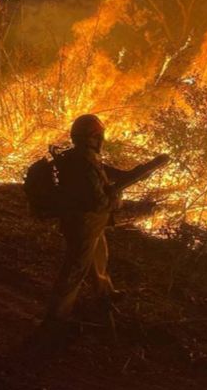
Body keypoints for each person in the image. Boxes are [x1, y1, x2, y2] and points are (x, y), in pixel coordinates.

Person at [43, 113, 168, 326]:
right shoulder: (81, 163)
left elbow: (115, 175)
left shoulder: (85, 157)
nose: (101, 139)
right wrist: (116, 201)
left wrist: (144, 170)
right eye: (98, 135)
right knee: (76, 267)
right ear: (92, 137)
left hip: (91, 223)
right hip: (83, 223)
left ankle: (104, 293)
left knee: (98, 257)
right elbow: (97, 202)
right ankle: (57, 315)